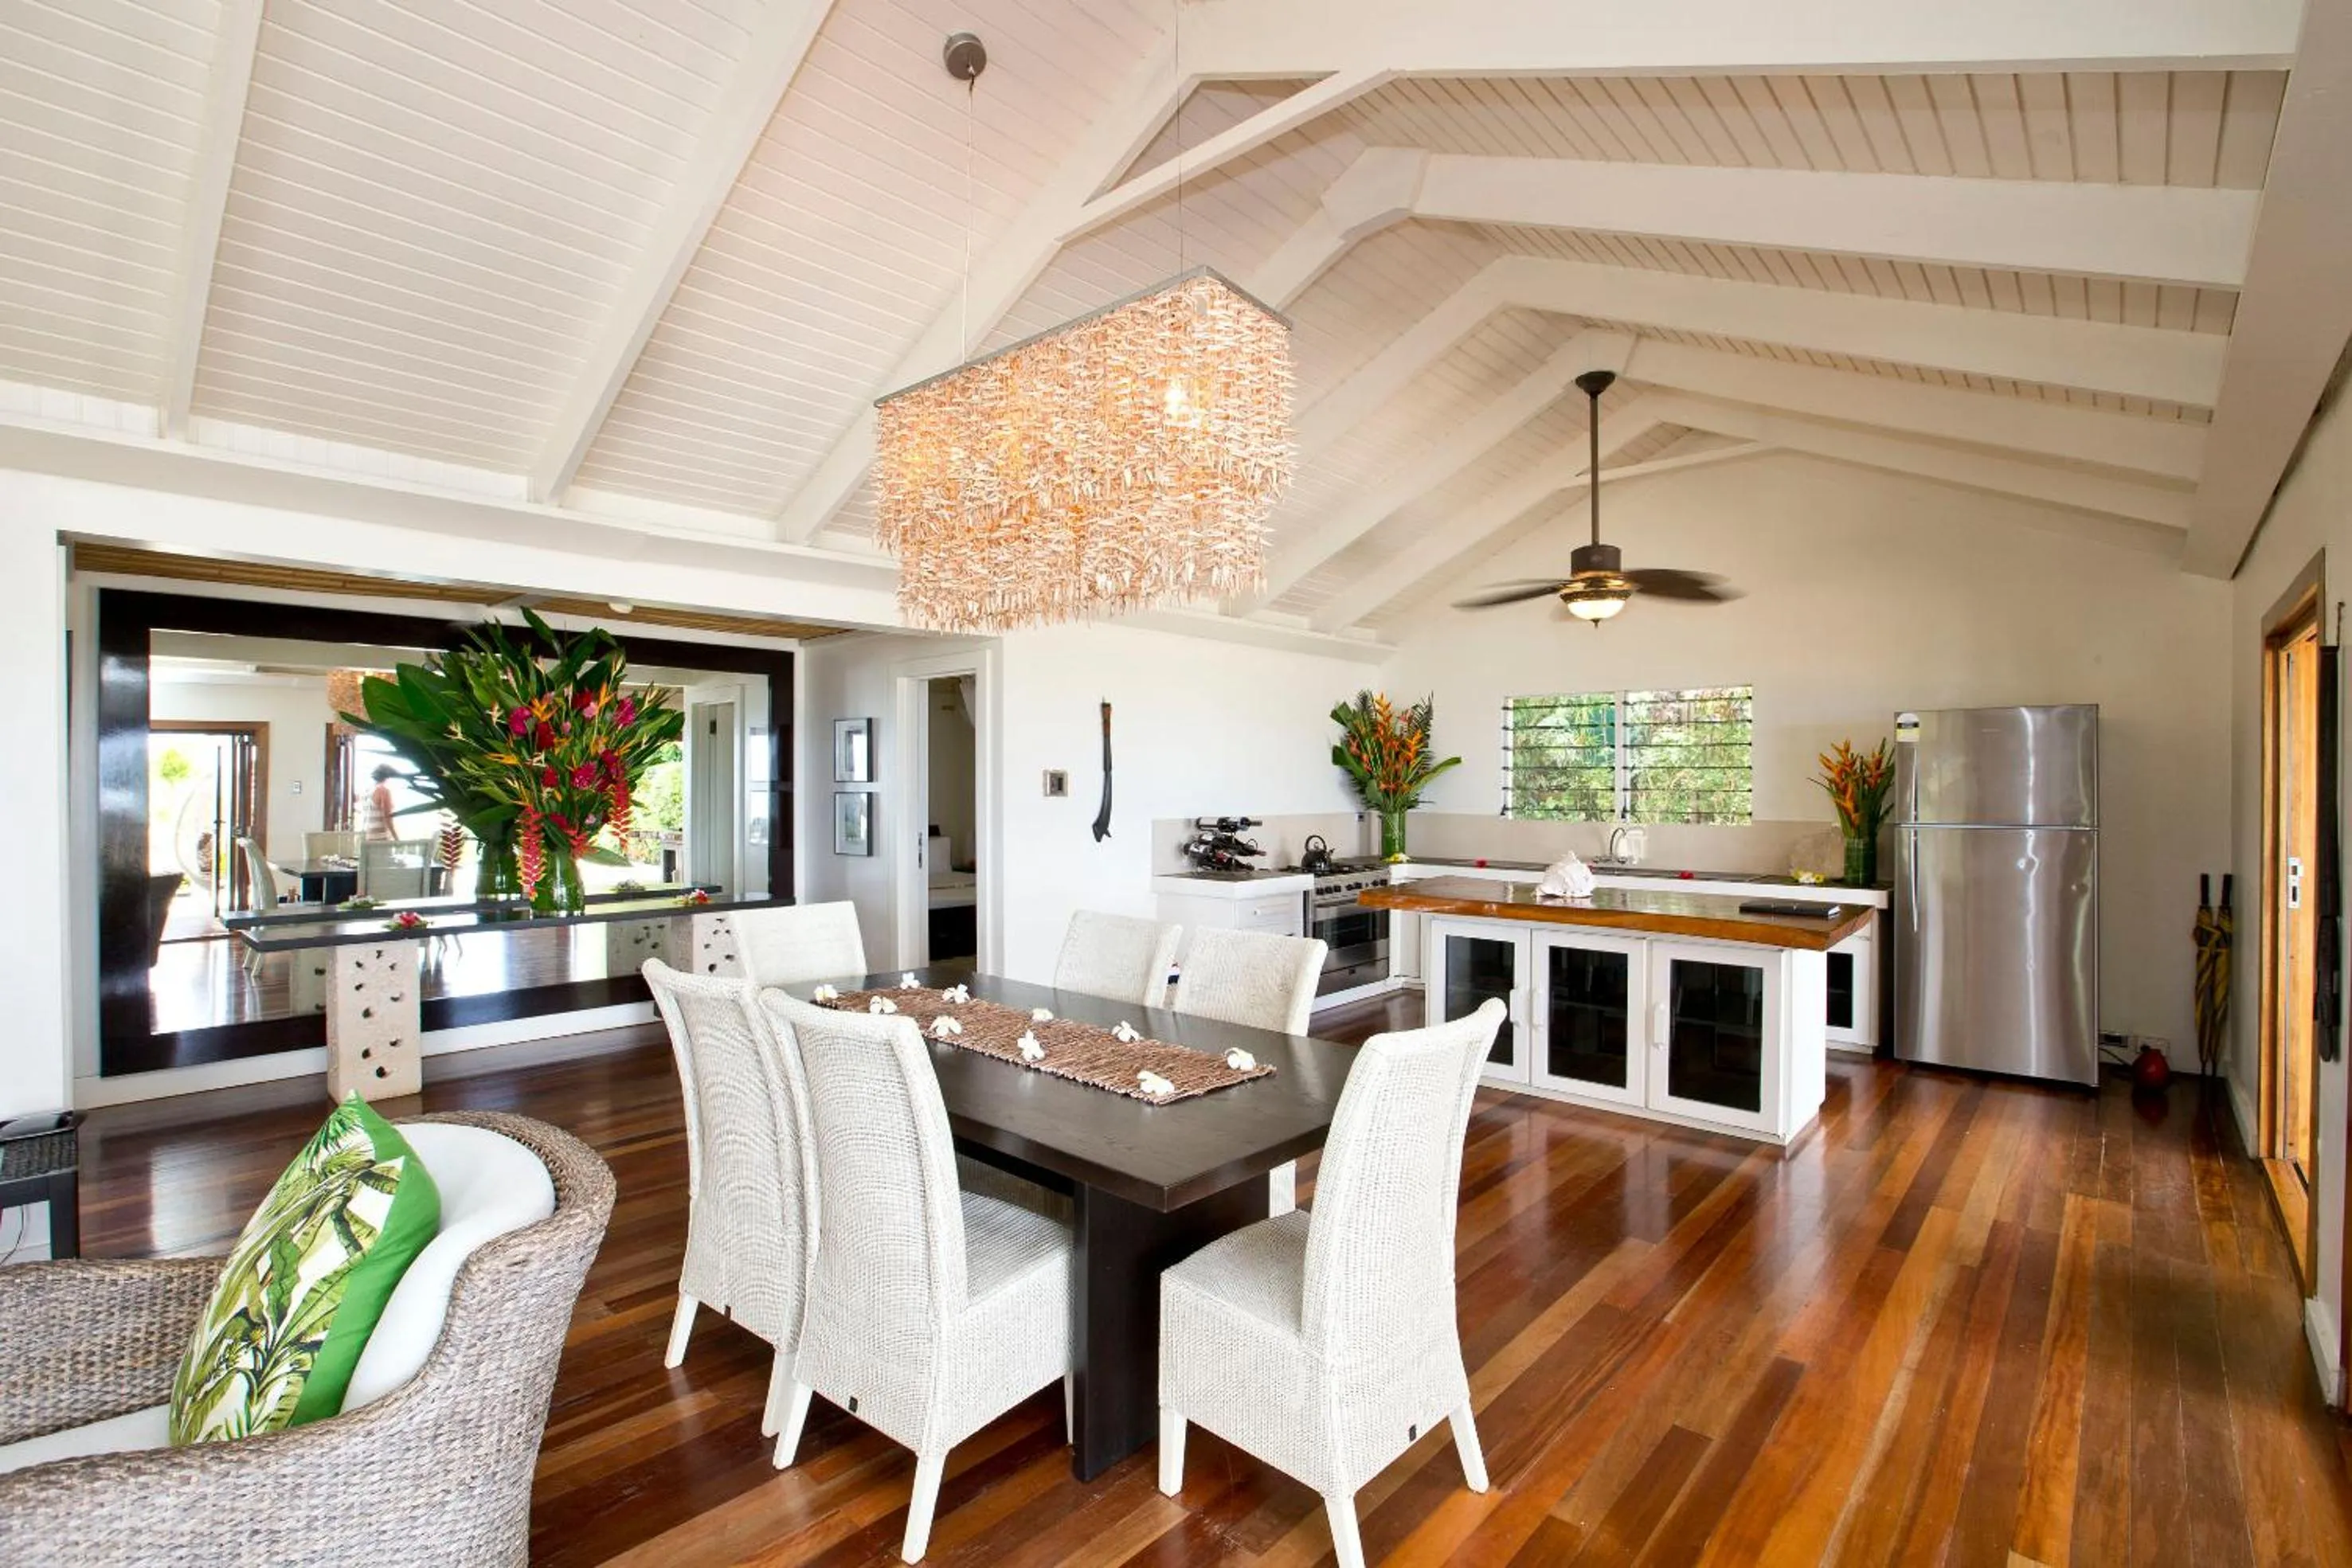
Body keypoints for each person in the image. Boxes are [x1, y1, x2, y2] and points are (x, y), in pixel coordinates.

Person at [361, 763, 399, 842]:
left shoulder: (367, 791)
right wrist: (397, 839)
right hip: (380, 838)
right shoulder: (384, 791)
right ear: (388, 777)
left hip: (366, 836)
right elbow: (387, 818)